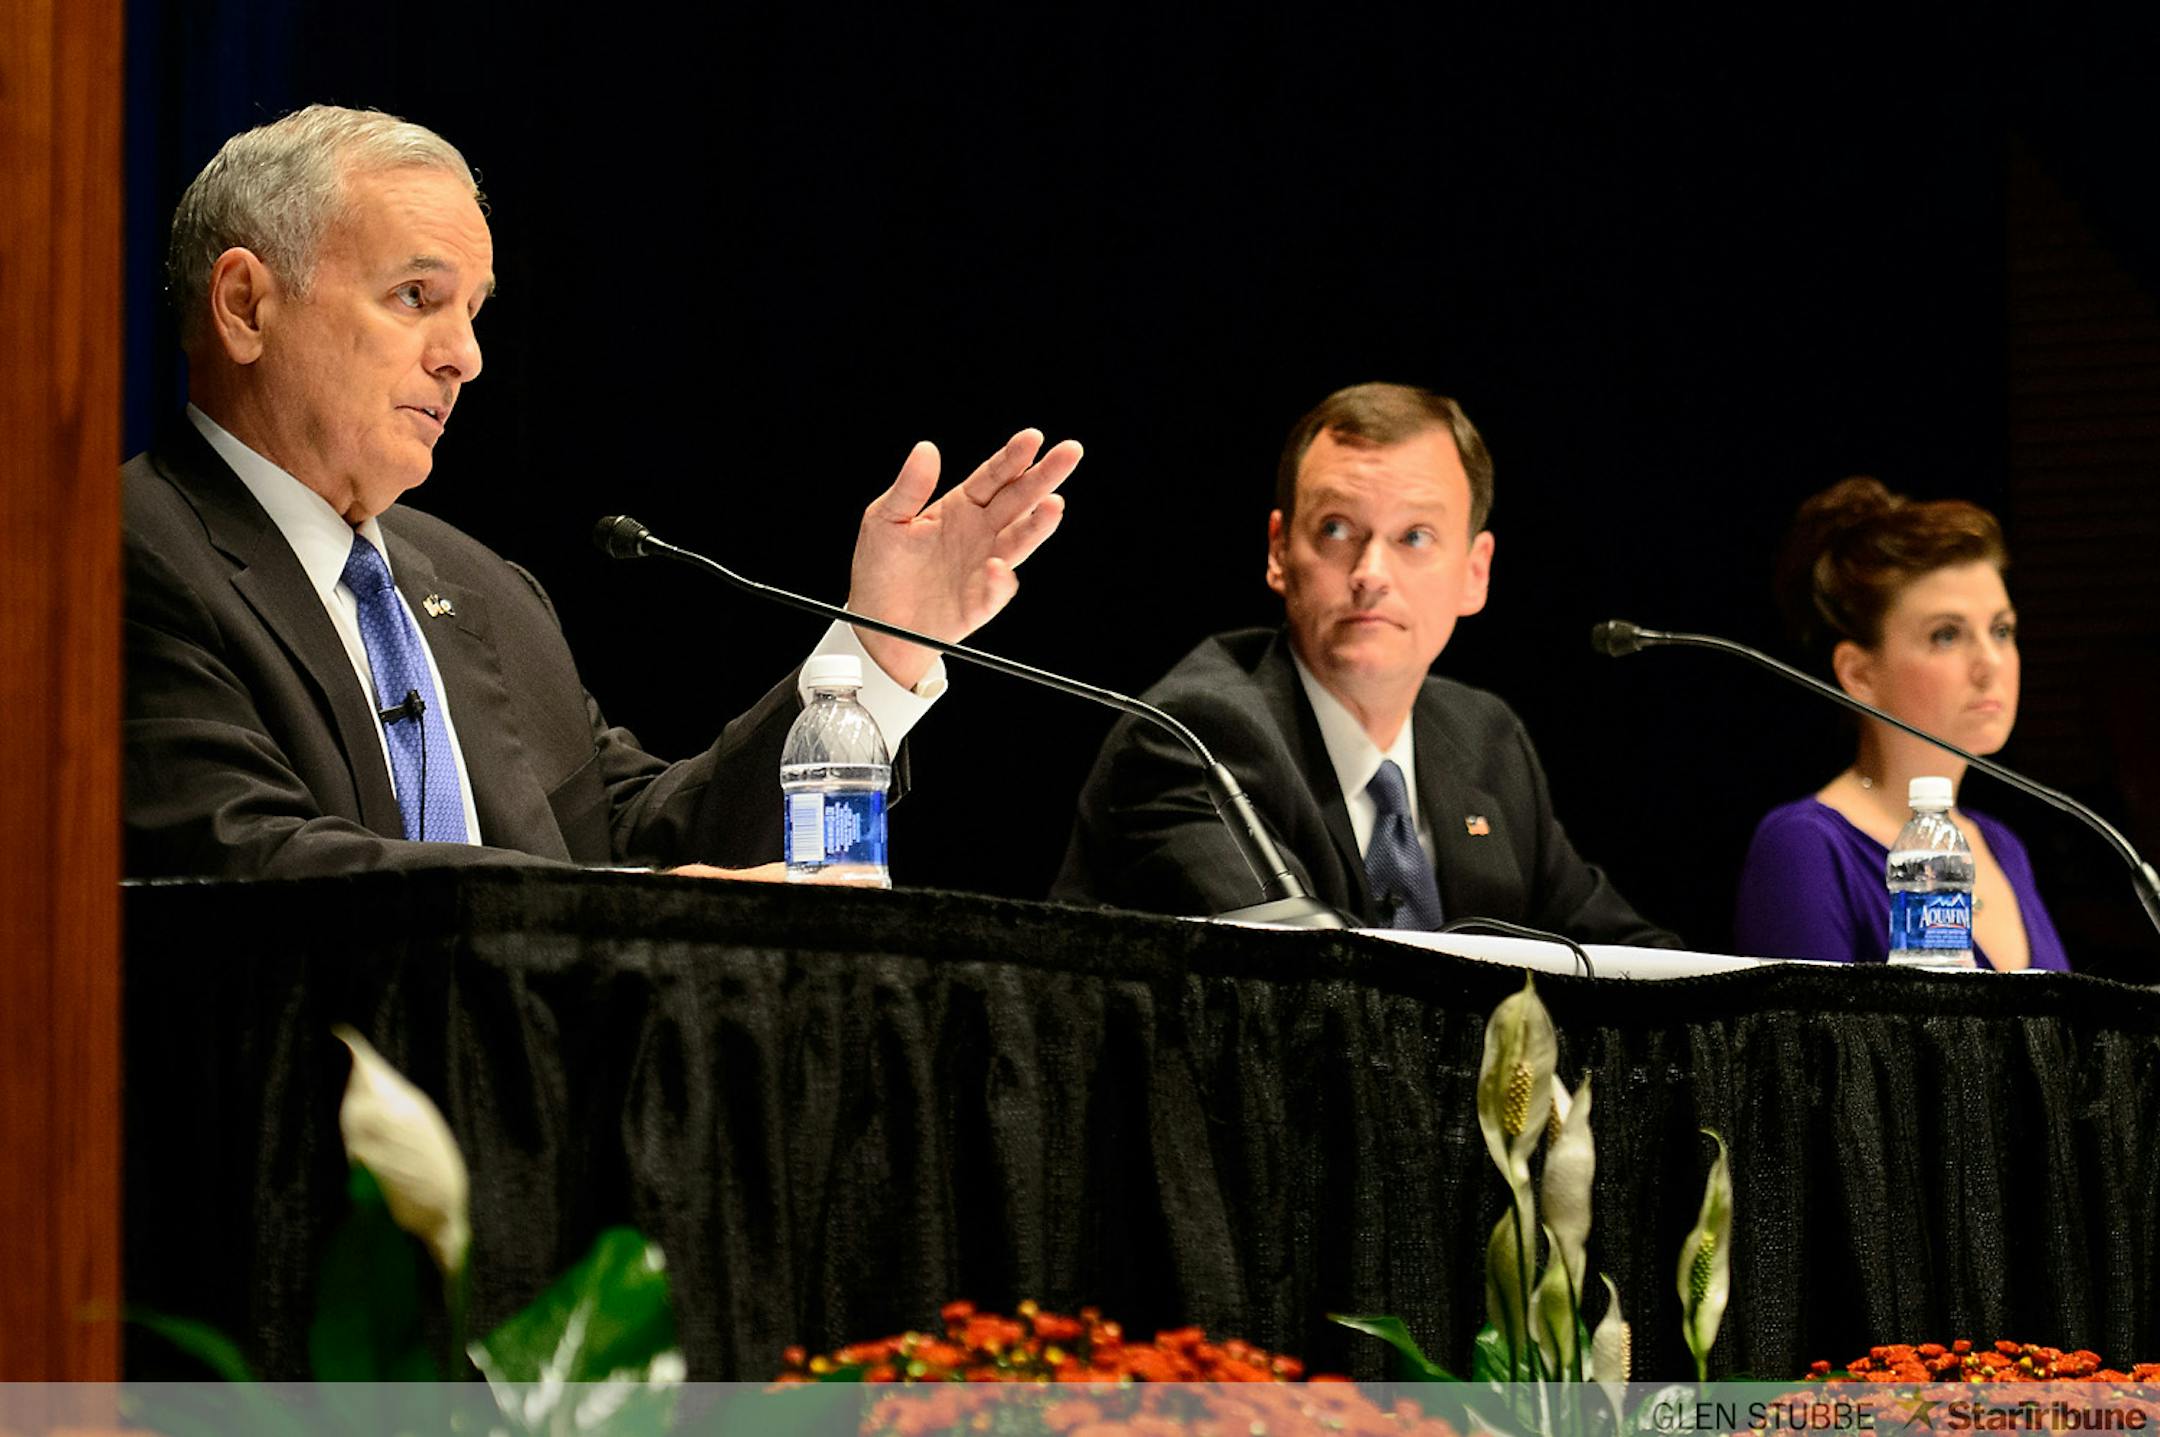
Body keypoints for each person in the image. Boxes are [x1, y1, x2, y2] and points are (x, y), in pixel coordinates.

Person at [125, 105, 1081, 879]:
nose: (465, 356)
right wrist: (617, 918)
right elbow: (249, 863)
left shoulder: (483, 591)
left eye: (474, 310)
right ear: (247, 304)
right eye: (417, 296)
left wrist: (877, 646)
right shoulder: (122, 555)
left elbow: (645, 840)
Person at [1052, 382, 1677, 944]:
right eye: (1336, 529)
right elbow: (1299, 999)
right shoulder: (1195, 741)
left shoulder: (1485, 741)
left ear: (1475, 573)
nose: (1371, 574)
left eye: (1414, 537)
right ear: (1278, 551)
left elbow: (1627, 958)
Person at [1733, 477, 2068, 970]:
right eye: (1947, 635)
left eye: (2001, 630)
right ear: (1859, 674)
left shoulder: (2002, 847)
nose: (1990, 663)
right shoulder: (1807, 848)